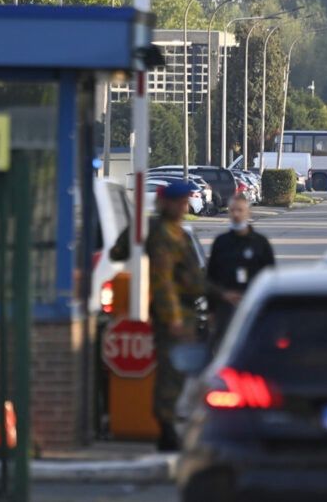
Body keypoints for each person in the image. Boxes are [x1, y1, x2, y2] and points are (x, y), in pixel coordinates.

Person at [108, 179, 204, 451]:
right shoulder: (158, 232)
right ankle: (166, 430)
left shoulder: (179, 233)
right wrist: (173, 318)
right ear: (166, 203)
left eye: (186, 202)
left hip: (186, 312)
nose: (184, 206)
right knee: (170, 373)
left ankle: (170, 426)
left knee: (180, 373)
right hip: (172, 315)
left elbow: (193, 277)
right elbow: (162, 281)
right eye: (180, 202)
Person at [206, 194, 275, 345]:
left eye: (240, 210)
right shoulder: (221, 243)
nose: (236, 214)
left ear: (248, 212)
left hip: (253, 306)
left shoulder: (260, 243)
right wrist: (213, 307)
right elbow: (211, 277)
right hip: (225, 307)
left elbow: (271, 277)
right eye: (232, 210)